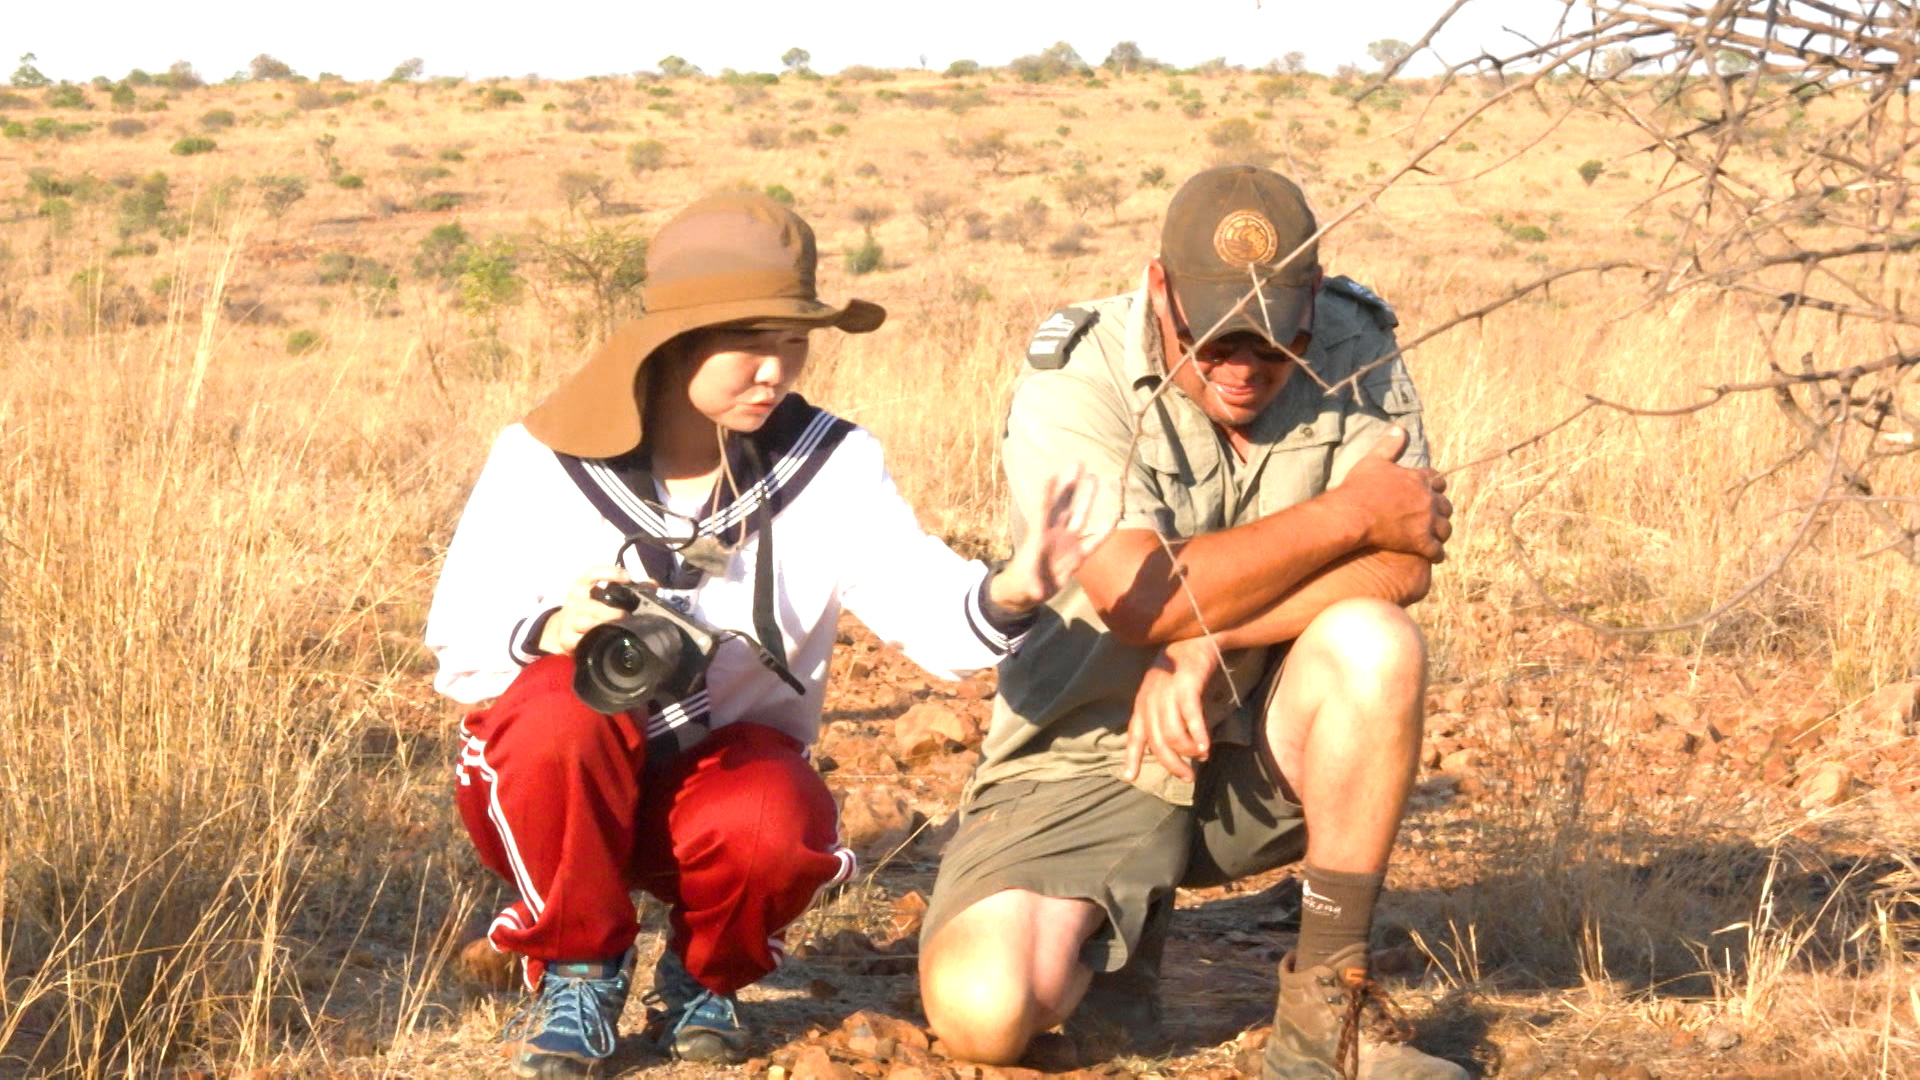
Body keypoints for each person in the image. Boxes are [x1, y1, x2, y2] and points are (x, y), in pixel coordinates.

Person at [425, 193, 1105, 1079]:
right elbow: (460, 636)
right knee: (558, 708)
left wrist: (1013, 589)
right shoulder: (543, 457)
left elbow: (923, 603)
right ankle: (578, 966)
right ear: (675, 340)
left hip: (720, 782)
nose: (775, 370)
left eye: (795, 342)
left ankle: (706, 974)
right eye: (749, 340)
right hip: (565, 791)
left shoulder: (830, 464)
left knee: (776, 820)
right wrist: (553, 626)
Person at [917, 165, 1466, 1080]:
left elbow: (1405, 558)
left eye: (1274, 342)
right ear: (1158, 287)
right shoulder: (1079, 370)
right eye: (1211, 341)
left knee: (1376, 642)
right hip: (1087, 748)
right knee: (985, 1016)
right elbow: (1141, 600)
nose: (1242, 369)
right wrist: (1345, 515)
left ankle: (1325, 1017)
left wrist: (1216, 637)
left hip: (1257, 735)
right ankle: (1114, 940)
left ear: (1314, 302)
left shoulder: (1356, 341)